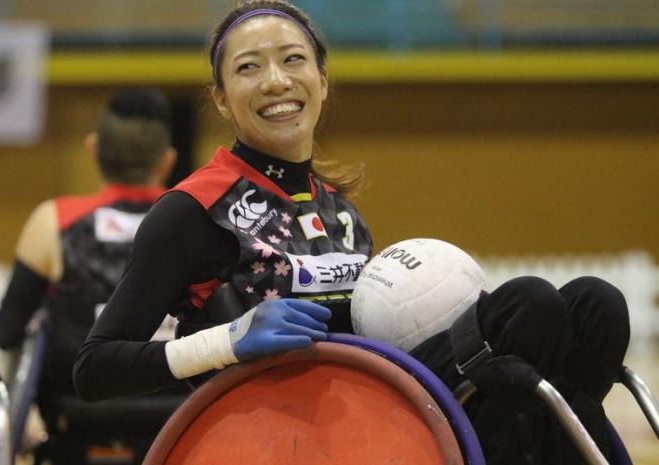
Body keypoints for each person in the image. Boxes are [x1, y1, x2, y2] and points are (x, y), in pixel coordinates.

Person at [73, 2, 630, 465]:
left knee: (594, 304)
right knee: (527, 302)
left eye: (293, 60)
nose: (275, 81)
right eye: (248, 68)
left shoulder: (339, 210)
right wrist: (226, 341)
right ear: (221, 96)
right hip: (279, 432)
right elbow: (93, 369)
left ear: (322, 79)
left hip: (373, 404)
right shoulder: (191, 210)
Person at [0, 87, 182, 464]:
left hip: (78, 432)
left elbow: (5, 331)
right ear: (166, 161)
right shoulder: (197, 221)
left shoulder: (54, 221)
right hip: (179, 428)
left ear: (93, 149)